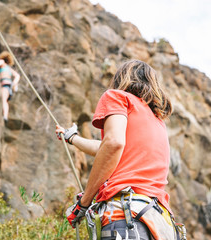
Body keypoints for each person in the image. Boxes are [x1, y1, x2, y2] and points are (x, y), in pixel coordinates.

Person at [56, 60, 183, 240]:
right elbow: (107, 147)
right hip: (160, 224)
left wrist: (84, 203)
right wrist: (72, 138)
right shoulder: (156, 120)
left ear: (121, 78)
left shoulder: (117, 97)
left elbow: (113, 144)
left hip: (127, 218)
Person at [0, 51, 20, 123]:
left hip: (4, 85)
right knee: (5, 100)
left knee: (3, 100)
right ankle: (5, 115)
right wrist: (14, 83)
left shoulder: (1, 62)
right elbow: (17, 75)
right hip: (9, 86)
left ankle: (5, 116)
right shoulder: (8, 68)